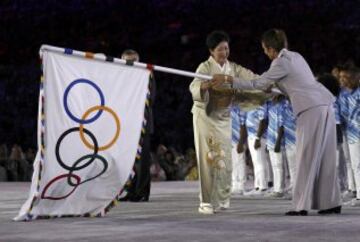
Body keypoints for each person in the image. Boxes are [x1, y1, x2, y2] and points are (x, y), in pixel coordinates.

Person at [211, 29, 341, 215]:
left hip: (310, 109)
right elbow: (289, 85)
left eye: (265, 49)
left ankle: (300, 206)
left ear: (271, 48)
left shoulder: (279, 63)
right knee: (325, 157)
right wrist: (271, 89)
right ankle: (331, 203)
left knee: (306, 156)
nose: (265, 53)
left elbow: (258, 84)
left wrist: (228, 80)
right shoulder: (296, 56)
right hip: (325, 103)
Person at [190, 30, 269, 214]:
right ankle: (206, 201)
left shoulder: (234, 68)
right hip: (205, 118)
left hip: (224, 118)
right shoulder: (205, 68)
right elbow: (194, 86)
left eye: (226, 48)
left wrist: (267, 83)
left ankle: (223, 199)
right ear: (211, 51)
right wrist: (204, 85)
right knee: (207, 158)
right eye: (220, 49)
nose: (224, 53)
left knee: (224, 159)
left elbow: (251, 78)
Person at [120, 49, 155, 202]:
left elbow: (150, 99)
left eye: (134, 60)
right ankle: (132, 190)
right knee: (130, 161)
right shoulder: (120, 77)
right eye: (128, 61)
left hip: (142, 123)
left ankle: (142, 192)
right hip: (127, 124)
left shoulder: (146, 75)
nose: (131, 64)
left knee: (143, 161)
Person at [338, 66, 360, 206]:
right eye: (341, 78)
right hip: (352, 134)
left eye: (345, 77)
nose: (343, 80)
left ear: (356, 77)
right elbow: (342, 115)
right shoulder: (343, 95)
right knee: (356, 165)